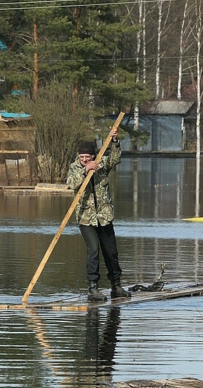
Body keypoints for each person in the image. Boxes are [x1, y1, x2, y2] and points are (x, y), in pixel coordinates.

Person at [67, 127, 131, 302]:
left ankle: (116, 286)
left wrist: (115, 141)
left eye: (87, 157)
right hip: (86, 219)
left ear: (93, 156)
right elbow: (71, 184)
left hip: (104, 216)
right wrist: (84, 170)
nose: (84, 160)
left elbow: (115, 158)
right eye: (81, 157)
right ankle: (92, 287)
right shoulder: (75, 168)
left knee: (111, 252)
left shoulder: (102, 164)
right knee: (93, 249)